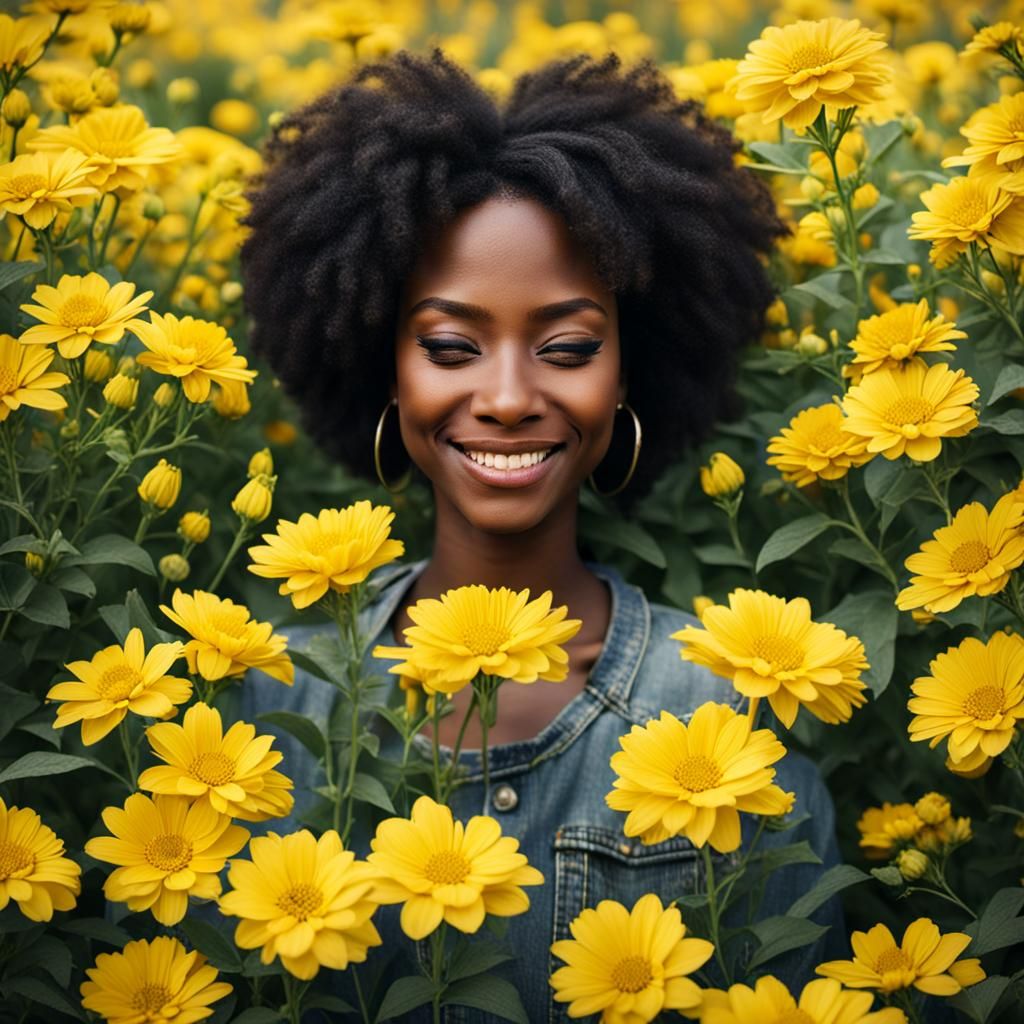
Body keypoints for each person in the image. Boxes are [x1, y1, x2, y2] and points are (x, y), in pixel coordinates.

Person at [235, 50, 843, 1021]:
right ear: (383, 368)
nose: (510, 396)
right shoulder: (259, 713)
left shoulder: (727, 717)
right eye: (451, 346)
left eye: (567, 347)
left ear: (629, 372)